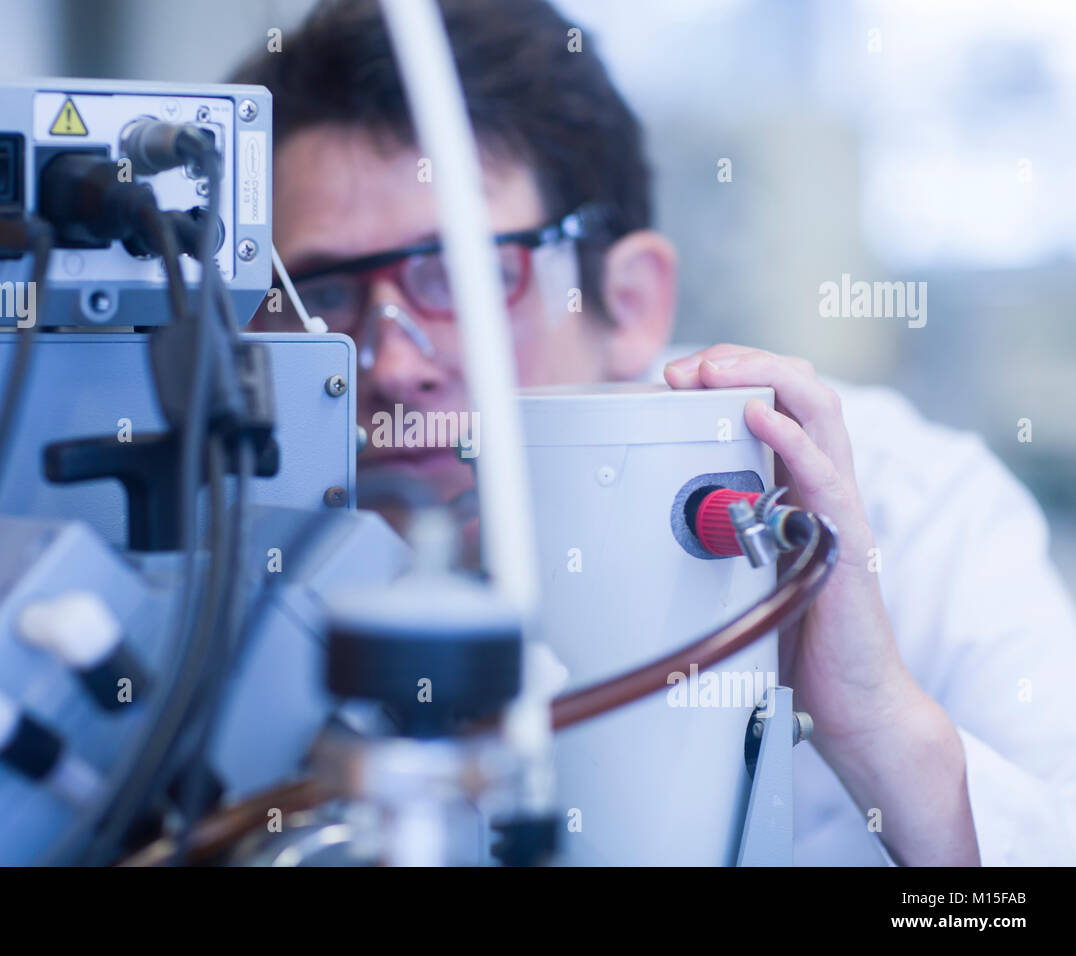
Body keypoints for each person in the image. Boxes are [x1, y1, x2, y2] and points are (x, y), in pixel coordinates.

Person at [233, 0, 1076, 865]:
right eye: (324, 294)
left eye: (459, 273)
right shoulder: (229, 563)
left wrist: (872, 721)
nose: (391, 366)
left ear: (629, 301)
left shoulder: (911, 516)